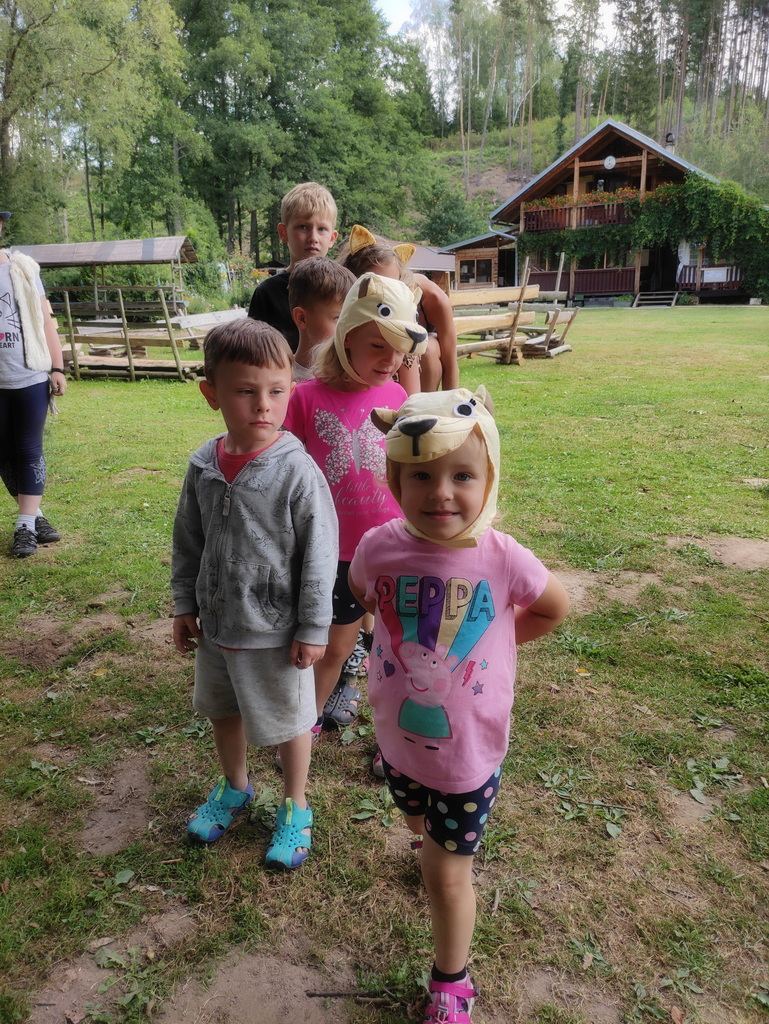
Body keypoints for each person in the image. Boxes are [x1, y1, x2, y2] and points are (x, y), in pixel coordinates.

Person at [349, 386, 570, 1023]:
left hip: (467, 756)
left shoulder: (502, 558)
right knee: (413, 817)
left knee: (449, 877)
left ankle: (452, 979)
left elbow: (553, 607)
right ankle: (423, 841)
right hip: (396, 740)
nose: (441, 493)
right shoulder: (378, 546)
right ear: (395, 479)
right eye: (421, 475)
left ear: (489, 478)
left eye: (462, 476)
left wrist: (498, 640)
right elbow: (364, 592)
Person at [171, 319, 337, 869]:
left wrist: (313, 627)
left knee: (291, 720)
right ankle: (235, 785)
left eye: (277, 391)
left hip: (275, 633)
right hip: (218, 626)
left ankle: (295, 803)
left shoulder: (298, 472)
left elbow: (319, 554)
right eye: (245, 391)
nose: (264, 405)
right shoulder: (203, 464)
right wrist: (185, 604)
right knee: (223, 710)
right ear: (211, 393)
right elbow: (188, 540)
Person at [283, 272, 428, 736]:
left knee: (400, 644)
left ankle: (402, 727)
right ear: (346, 337)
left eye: (400, 351)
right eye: (378, 347)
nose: (391, 361)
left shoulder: (398, 397)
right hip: (333, 552)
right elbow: (284, 470)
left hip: (392, 546)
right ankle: (305, 723)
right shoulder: (304, 398)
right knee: (335, 646)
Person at [0, 210, 67, 558]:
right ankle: (34, 516)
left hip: (29, 375)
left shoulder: (23, 268)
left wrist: (57, 367)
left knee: (28, 448)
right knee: (3, 453)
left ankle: (24, 527)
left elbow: (45, 320)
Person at [338, 225, 459, 394]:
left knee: (428, 349)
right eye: (377, 285)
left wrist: (452, 403)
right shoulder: (342, 308)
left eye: (393, 284)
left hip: (410, 360)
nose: (386, 291)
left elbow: (450, 361)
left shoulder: (434, 300)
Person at [247, 182, 339, 351]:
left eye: (322, 229)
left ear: (332, 238)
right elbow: (253, 351)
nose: (313, 238)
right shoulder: (267, 293)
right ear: (283, 233)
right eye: (303, 227)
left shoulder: (341, 289)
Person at [287, 257, 355, 381]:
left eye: (352, 319)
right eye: (338, 318)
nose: (348, 329)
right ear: (302, 318)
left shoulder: (354, 378)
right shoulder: (281, 377)